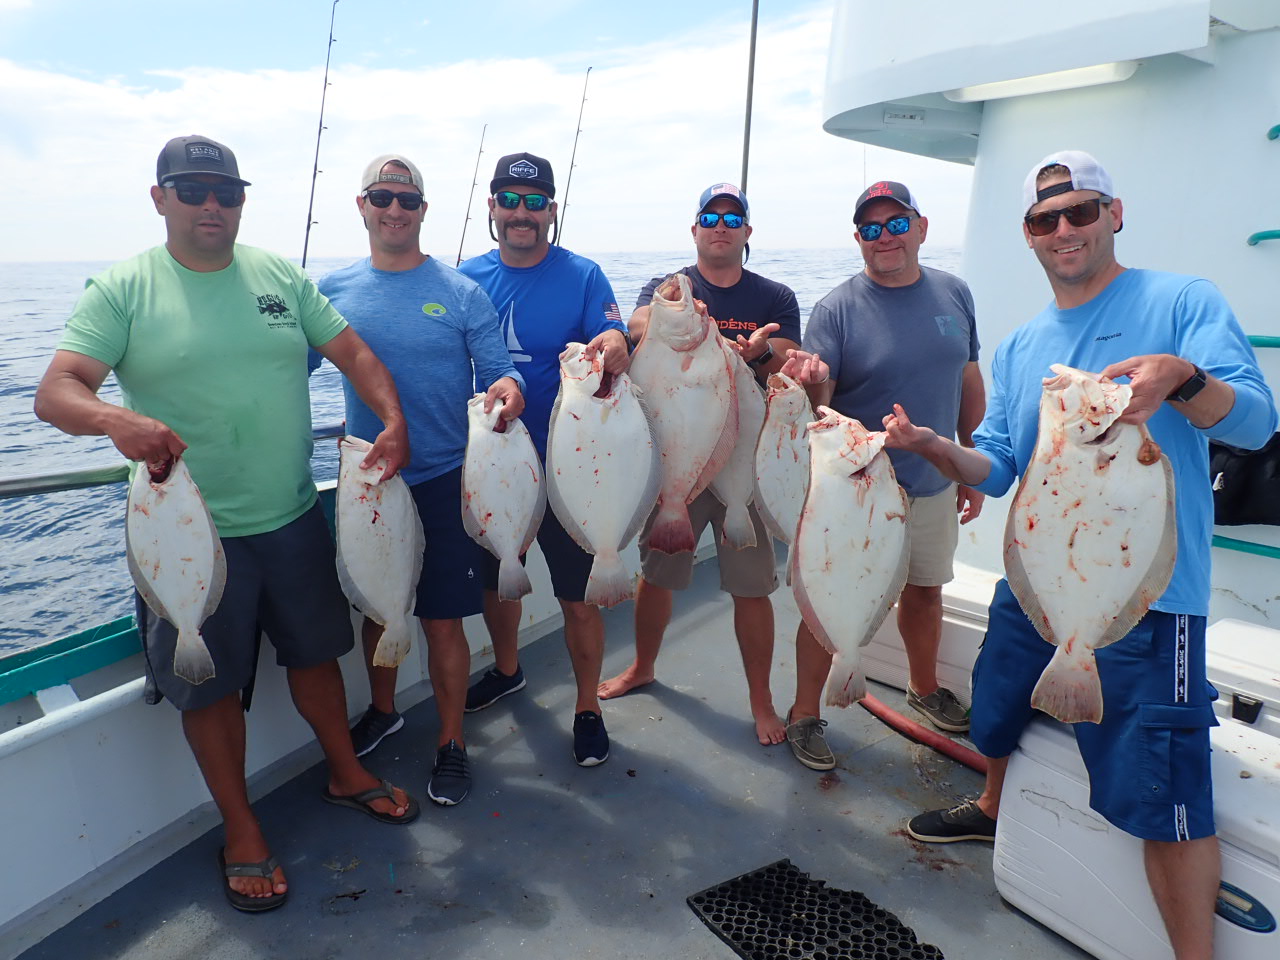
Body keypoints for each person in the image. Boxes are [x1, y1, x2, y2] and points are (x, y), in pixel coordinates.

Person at [885, 150, 1276, 960]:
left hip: (1149, 595)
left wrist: (1182, 376)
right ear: (1028, 236)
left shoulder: (1181, 302)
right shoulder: (1025, 345)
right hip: (1042, 583)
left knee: (1164, 791)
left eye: (1081, 211)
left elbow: (1255, 423)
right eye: (1044, 218)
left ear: (1114, 214)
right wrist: (936, 448)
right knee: (995, 699)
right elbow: (996, 462)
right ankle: (994, 806)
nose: (1063, 229)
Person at [33, 135, 420, 913]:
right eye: (194, 189)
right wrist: (116, 420)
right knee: (208, 688)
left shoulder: (278, 276)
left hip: (292, 516)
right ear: (160, 198)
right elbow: (56, 390)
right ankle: (241, 829)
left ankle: (345, 771)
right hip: (185, 535)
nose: (213, 205)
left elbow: (353, 352)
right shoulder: (124, 288)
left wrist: (393, 418)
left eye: (228, 191)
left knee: (318, 655)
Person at [313, 154, 525, 807]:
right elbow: (280, 374)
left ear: (424, 211)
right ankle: (385, 709)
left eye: (407, 200)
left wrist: (508, 393)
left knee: (441, 622)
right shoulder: (330, 290)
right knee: (380, 607)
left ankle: (451, 743)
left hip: (445, 479)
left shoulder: (461, 291)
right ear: (362, 206)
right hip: (372, 482)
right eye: (382, 198)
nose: (395, 210)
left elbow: (499, 372)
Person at [778, 180, 985, 773]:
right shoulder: (836, 310)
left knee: (926, 591)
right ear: (858, 241)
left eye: (896, 225)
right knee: (828, 602)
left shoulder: (956, 293)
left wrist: (968, 460)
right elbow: (820, 404)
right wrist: (812, 377)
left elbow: (967, 382)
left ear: (921, 227)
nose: (884, 238)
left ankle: (923, 688)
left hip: (934, 481)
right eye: (871, 230)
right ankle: (802, 713)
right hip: (857, 497)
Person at [597, 183, 802, 746]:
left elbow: (786, 353)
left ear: (747, 233)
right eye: (710, 217)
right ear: (695, 229)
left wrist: (759, 351)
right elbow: (639, 323)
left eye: (732, 218)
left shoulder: (776, 295)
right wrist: (669, 314)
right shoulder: (670, 290)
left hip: (743, 463)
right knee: (659, 574)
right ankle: (643, 665)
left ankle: (762, 702)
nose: (721, 225)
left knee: (751, 586)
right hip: (680, 459)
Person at [457, 151, 629, 766]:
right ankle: (508, 670)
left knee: (576, 598)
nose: (521, 213)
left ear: (551, 210)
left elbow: (614, 343)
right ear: (493, 208)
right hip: (497, 462)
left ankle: (588, 706)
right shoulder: (466, 277)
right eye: (510, 199)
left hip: (569, 467)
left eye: (535, 202)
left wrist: (615, 342)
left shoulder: (583, 275)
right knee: (500, 581)